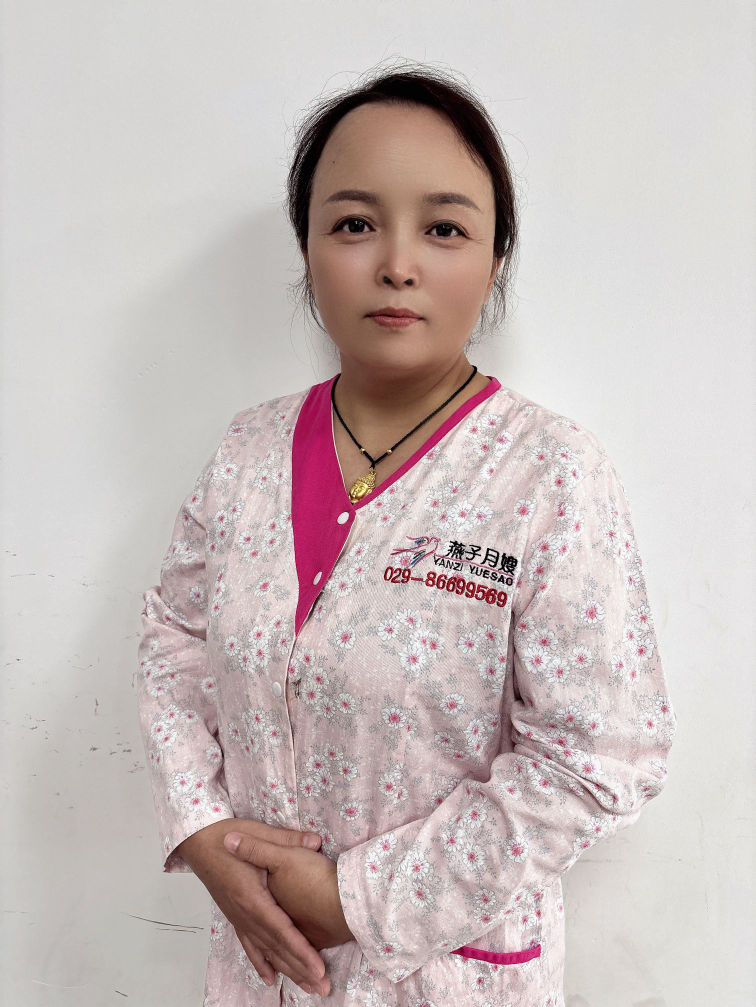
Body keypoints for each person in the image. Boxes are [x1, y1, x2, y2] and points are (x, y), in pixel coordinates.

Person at [136, 64, 677, 1007]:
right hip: (262, 972)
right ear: (307, 247)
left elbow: (602, 756)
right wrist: (203, 831)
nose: (397, 263)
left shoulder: (549, 473)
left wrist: (359, 897)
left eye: (444, 228)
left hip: (448, 977)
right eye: (354, 223)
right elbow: (173, 643)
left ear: (497, 257)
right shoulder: (247, 453)